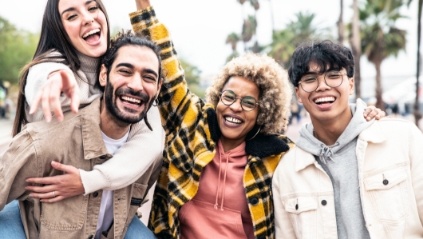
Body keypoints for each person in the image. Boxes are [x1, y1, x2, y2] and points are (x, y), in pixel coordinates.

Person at [127, 2, 386, 238]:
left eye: (249, 102)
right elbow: (166, 64)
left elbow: (331, 151)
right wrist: (143, 7)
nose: (235, 107)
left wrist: (363, 120)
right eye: (229, 97)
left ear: (263, 111)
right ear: (218, 96)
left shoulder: (280, 157)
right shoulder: (194, 124)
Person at [0, 0, 164, 237]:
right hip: (39, 209)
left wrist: (88, 180)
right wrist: (55, 76)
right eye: (71, 16)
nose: (87, 18)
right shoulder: (53, 70)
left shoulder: (132, 86)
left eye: (92, 7)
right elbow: (40, 77)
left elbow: (149, 145)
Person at [272, 40, 423, 238]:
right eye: (310, 79)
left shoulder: (402, 139)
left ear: (350, 84)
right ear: (298, 94)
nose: (322, 86)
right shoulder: (287, 172)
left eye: (334, 76)